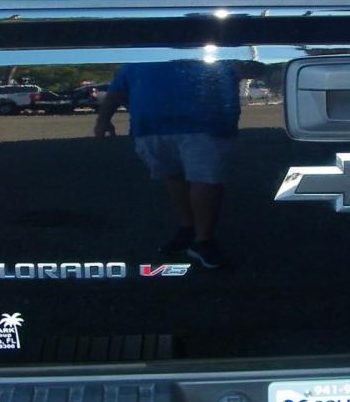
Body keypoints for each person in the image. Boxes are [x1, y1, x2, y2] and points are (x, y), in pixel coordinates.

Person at [93, 59, 243, 269]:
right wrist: (102, 120)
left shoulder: (212, 49)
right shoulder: (142, 55)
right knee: (173, 176)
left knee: (206, 179)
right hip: (150, 128)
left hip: (204, 126)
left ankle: (203, 240)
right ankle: (188, 228)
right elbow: (118, 90)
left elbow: (243, 75)